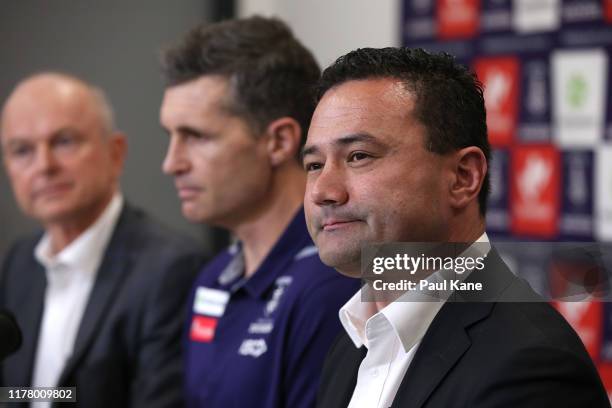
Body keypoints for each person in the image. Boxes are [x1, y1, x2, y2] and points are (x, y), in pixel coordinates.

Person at [303, 48, 610, 407]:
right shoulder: (351, 341)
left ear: (463, 177)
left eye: (359, 156)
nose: (324, 191)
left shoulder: (531, 364)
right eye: (313, 164)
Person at [159, 16, 359, 408]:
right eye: (171, 136)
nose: (172, 163)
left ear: (279, 141)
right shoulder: (212, 279)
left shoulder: (331, 284)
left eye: (196, 136)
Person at [0, 73, 204, 408]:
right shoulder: (20, 262)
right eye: (22, 150)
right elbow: (15, 394)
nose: (44, 165)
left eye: (64, 141)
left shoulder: (171, 268)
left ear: (116, 153)